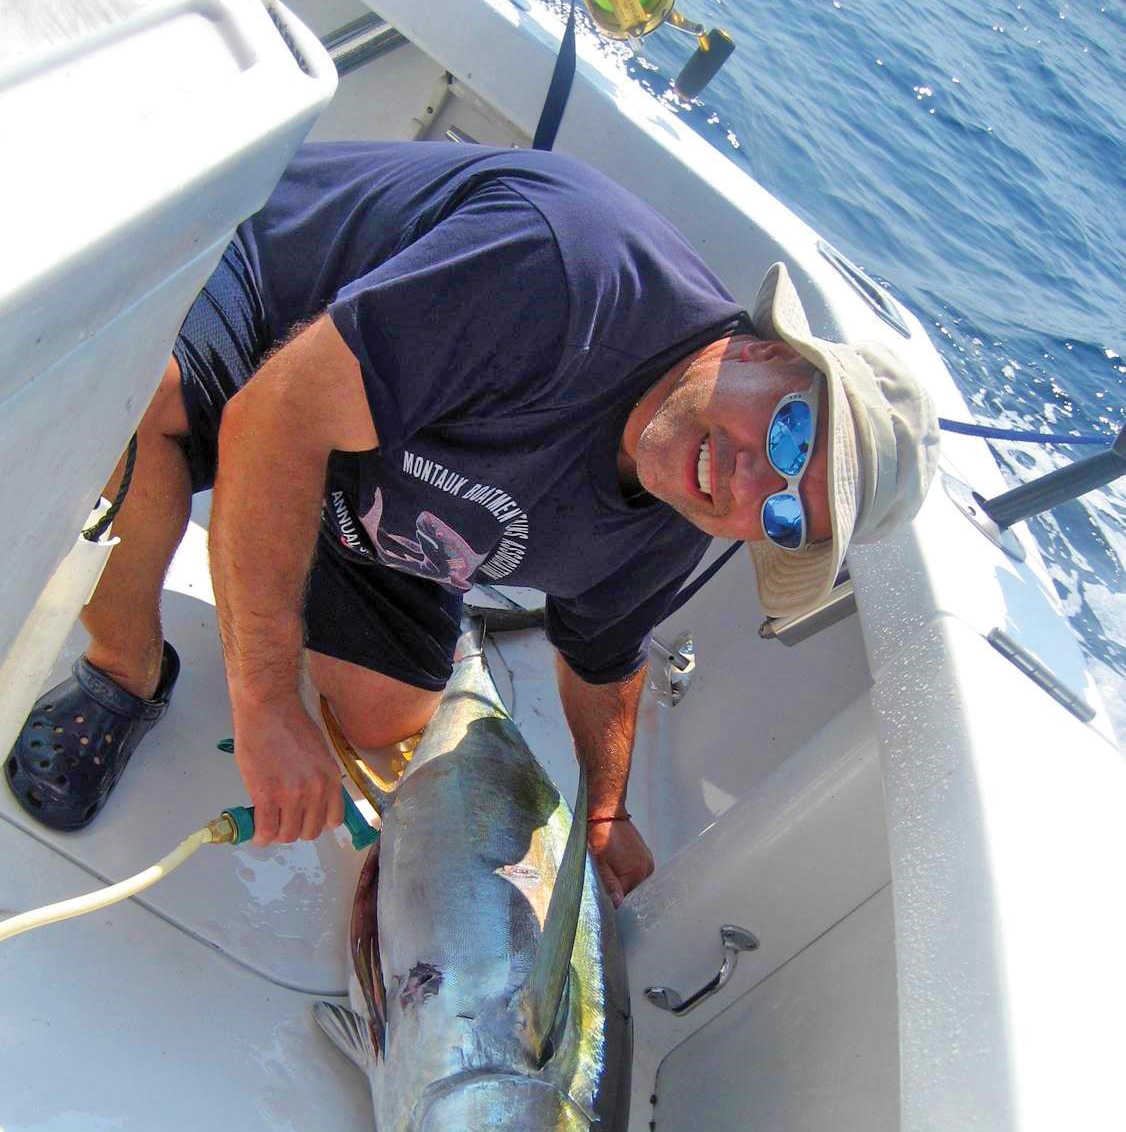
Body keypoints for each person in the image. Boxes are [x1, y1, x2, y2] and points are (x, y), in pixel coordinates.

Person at [5, 142, 938, 906]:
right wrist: (264, 704)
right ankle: (123, 672)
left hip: (387, 502)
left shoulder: (683, 511)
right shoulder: (567, 271)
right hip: (272, 319)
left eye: (783, 510)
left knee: (386, 726)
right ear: (769, 352)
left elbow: (604, 654)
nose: (747, 478)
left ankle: (288, 563)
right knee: (138, 407)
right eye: (788, 429)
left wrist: (605, 812)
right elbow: (274, 415)